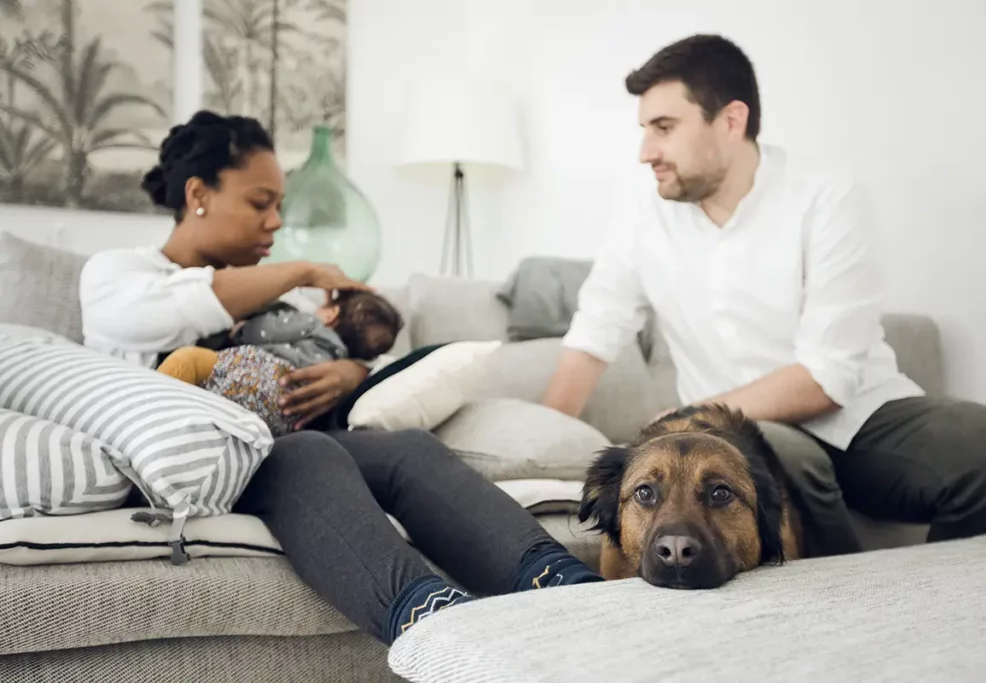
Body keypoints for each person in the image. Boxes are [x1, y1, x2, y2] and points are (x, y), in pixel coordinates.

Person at [79, 110, 601, 646]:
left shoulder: (279, 303)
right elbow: (179, 308)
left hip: (282, 447)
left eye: (279, 207)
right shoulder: (117, 274)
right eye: (260, 203)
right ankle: (439, 629)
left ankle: (571, 591)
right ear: (198, 194)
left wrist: (348, 372)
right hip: (191, 464)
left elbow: (355, 352)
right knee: (308, 450)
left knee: (408, 450)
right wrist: (302, 270)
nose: (275, 222)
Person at [542, 34, 986, 555]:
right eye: (645, 131)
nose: (646, 152)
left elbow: (827, 376)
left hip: (862, 416)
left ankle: (948, 594)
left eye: (664, 128)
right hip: (741, 436)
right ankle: (840, 596)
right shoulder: (642, 216)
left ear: (731, 121)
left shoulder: (826, 196)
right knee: (786, 460)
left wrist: (692, 410)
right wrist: (542, 446)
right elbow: (594, 332)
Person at [156, 289, 404, 435]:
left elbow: (265, 330)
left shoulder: (311, 323)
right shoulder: (335, 374)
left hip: (263, 375)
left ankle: (149, 420)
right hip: (285, 414)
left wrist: (242, 330)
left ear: (331, 314)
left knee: (188, 361)